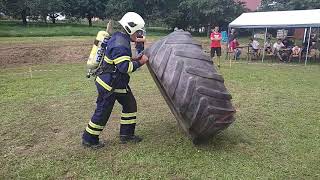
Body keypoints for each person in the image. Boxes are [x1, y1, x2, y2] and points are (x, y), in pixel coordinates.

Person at [82, 12, 149, 149]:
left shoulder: (121, 38)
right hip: (109, 84)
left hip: (117, 82)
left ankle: (127, 135)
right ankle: (89, 139)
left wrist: (135, 55)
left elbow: (120, 61)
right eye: (138, 31)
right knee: (103, 111)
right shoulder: (120, 44)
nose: (140, 34)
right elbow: (124, 67)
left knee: (130, 105)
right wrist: (141, 62)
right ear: (131, 28)